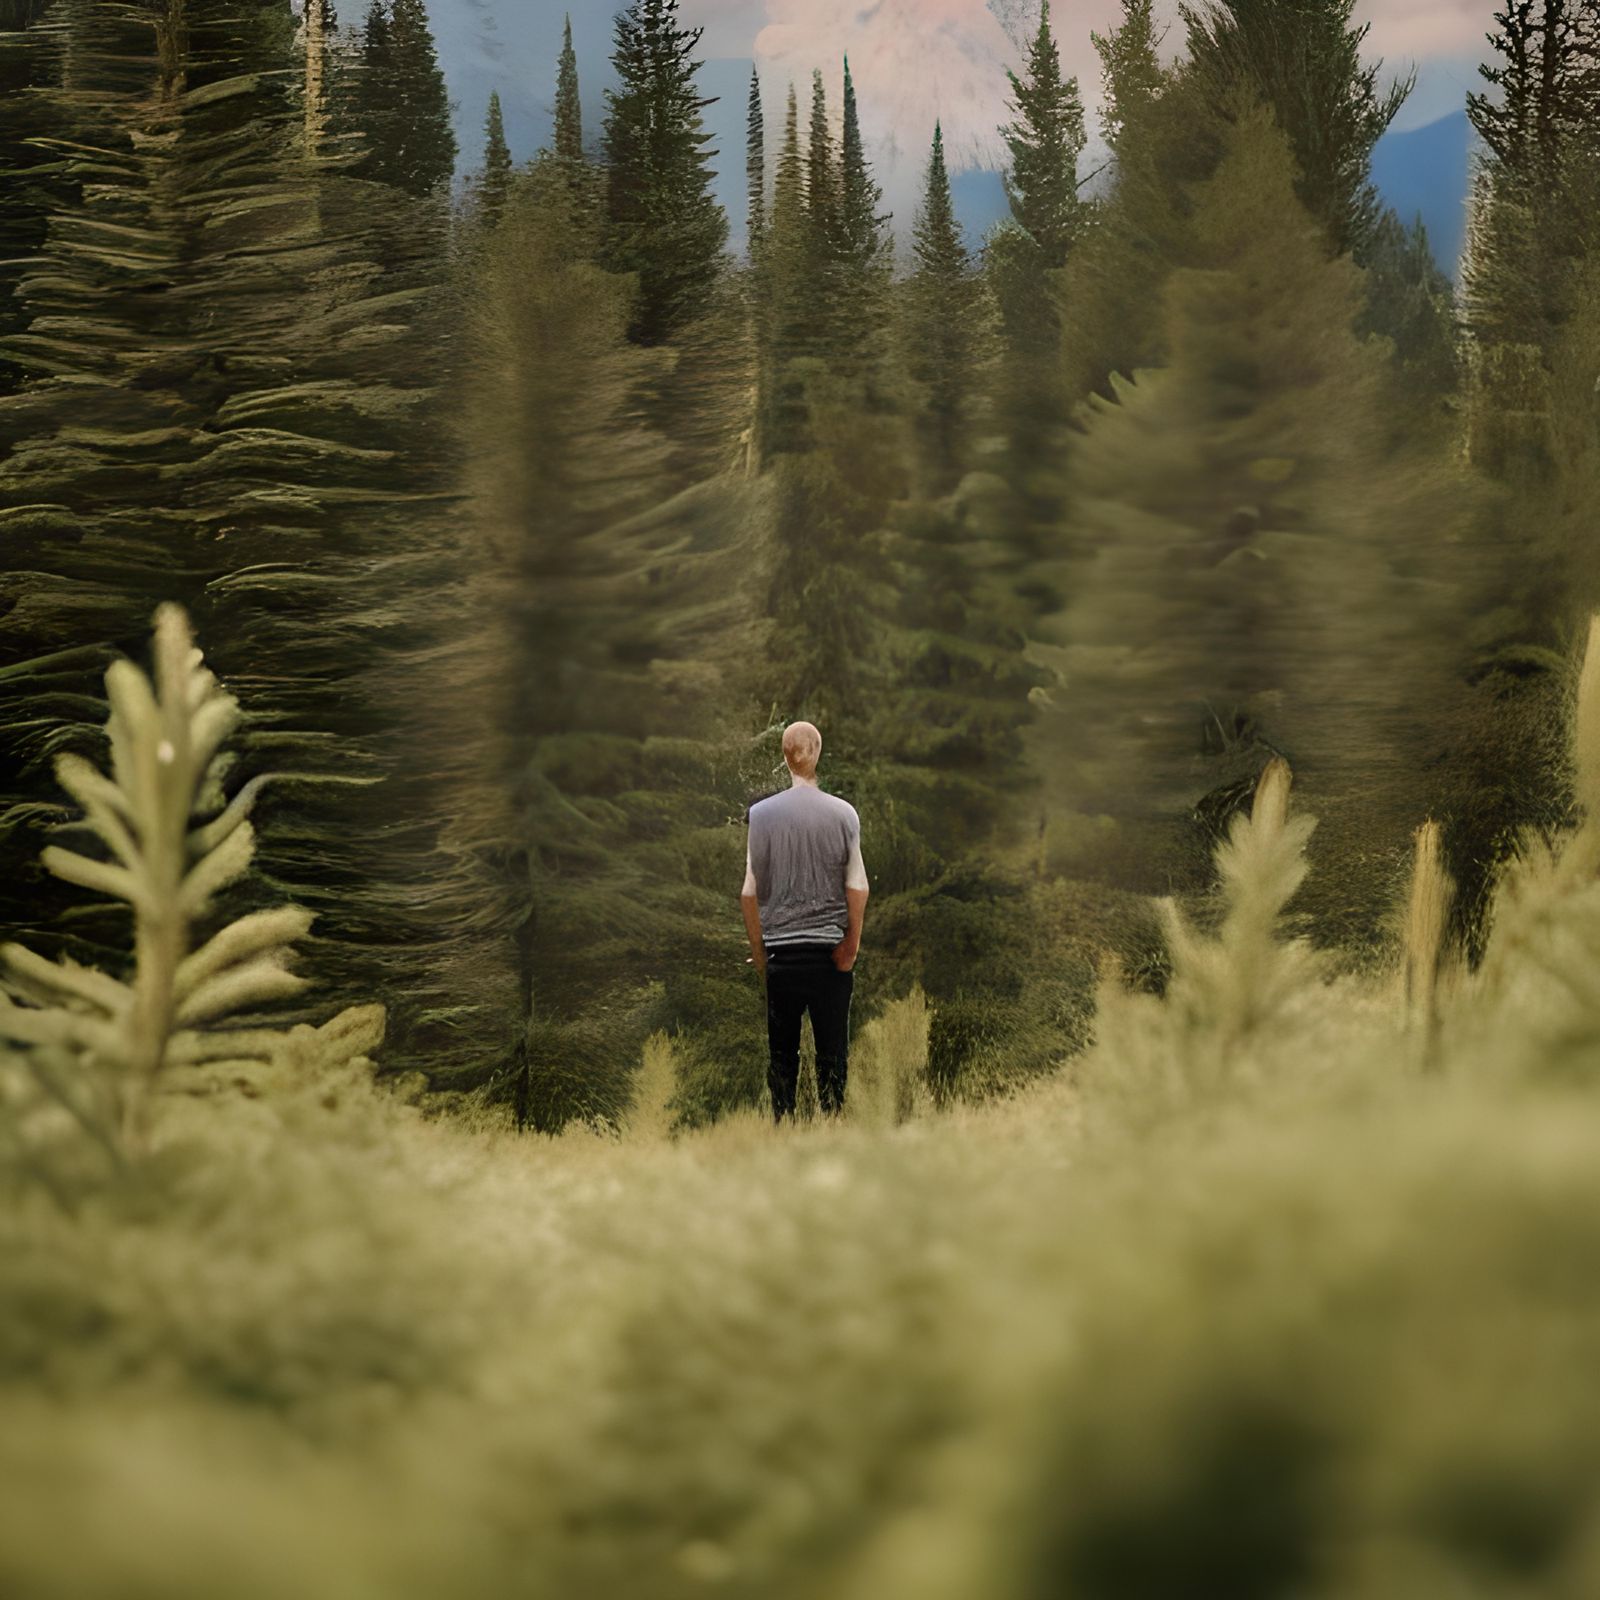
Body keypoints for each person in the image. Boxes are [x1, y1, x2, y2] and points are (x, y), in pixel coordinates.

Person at [740, 721, 869, 1120]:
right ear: (817, 752)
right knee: (833, 1053)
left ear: (784, 755)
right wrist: (851, 946)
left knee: (782, 1056)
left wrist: (761, 955)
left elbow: (749, 893)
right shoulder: (843, 814)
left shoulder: (761, 816)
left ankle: (784, 1128)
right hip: (829, 956)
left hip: (783, 955)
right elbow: (858, 886)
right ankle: (832, 1128)